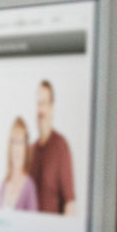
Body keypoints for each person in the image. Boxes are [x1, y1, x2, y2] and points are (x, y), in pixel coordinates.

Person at [26, 80, 76, 214]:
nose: (40, 109)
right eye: (38, 104)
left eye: (44, 103)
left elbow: (69, 203)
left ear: (52, 107)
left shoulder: (61, 146)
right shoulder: (31, 151)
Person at [0, 117, 38, 211]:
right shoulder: (4, 185)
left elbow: (34, 223)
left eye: (20, 142)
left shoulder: (29, 187)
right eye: (14, 142)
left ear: (25, 149)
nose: (17, 148)